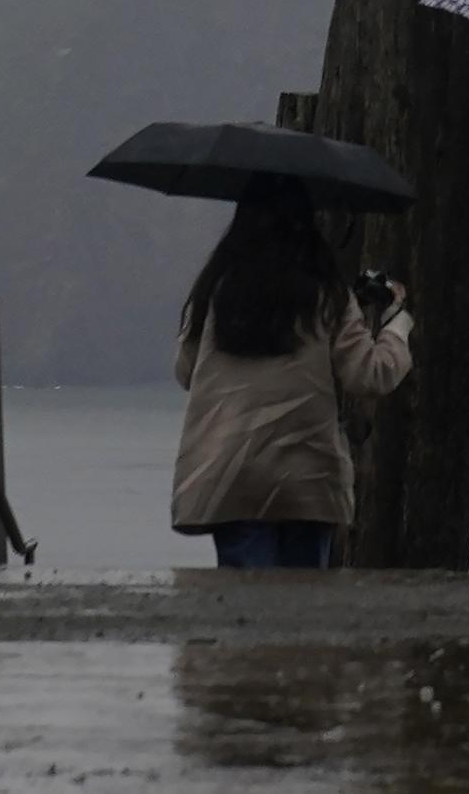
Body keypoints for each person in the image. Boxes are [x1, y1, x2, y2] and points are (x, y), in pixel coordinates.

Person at [170, 177, 412, 569]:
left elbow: (185, 373)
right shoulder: (328, 294)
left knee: (244, 609)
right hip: (307, 478)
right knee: (304, 611)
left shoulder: (216, 291)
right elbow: (370, 374)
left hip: (231, 477)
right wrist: (396, 324)